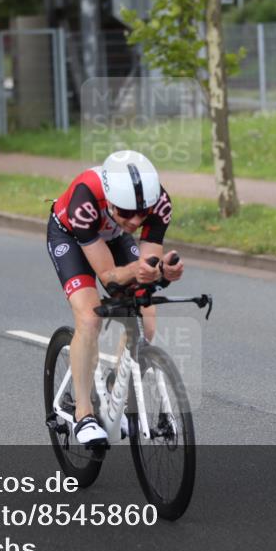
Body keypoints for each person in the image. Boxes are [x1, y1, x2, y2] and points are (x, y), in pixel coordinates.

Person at [47, 150, 183, 445]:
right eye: (126, 212)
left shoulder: (159, 203)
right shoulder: (85, 199)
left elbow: (148, 266)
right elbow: (108, 275)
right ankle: (84, 413)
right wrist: (137, 270)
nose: (135, 221)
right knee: (90, 317)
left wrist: (162, 272)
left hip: (111, 234)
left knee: (145, 318)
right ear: (109, 200)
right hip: (70, 237)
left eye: (142, 212)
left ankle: (110, 390)